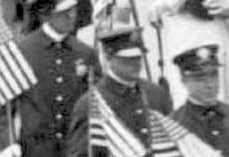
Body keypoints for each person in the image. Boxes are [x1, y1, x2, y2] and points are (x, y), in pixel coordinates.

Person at [0, 0, 100, 157]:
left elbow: (99, 104)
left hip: (74, 149)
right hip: (34, 149)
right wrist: (7, 144)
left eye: (72, 10)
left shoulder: (86, 54)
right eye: (64, 12)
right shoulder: (23, 51)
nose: (72, 16)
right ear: (46, 15)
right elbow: (1, 105)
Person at [67, 27, 173, 157]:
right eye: (127, 59)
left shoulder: (156, 94)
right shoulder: (91, 103)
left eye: (138, 57)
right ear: (108, 58)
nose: (136, 63)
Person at [172, 44, 229, 157]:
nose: (210, 84)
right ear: (184, 81)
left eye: (214, 75)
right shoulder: (175, 125)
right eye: (200, 78)